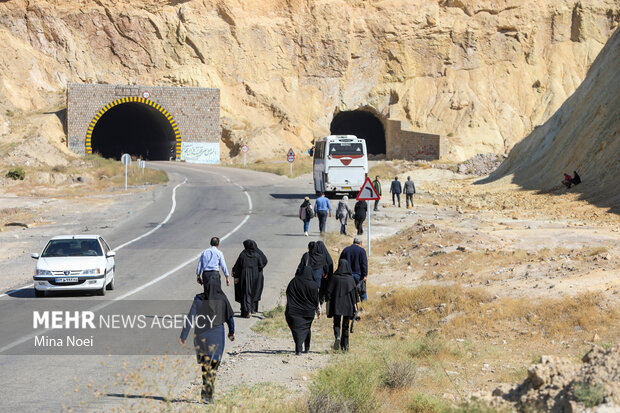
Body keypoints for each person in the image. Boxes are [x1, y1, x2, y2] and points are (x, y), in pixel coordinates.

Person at [179, 275, 235, 404]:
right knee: (214, 365)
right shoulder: (222, 298)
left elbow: (190, 318)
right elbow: (230, 318)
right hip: (217, 335)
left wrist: (184, 335)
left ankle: (205, 394)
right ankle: (208, 395)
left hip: (201, 336)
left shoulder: (198, 298)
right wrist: (231, 333)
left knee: (205, 366)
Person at [285, 265, 320, 355]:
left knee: (297, 330)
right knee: (306, 328)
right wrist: (318, 311)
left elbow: (288, 292)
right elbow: (316, 299)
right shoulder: (313, 285)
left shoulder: (294, 281)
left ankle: (298, 349)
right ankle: (307, 348)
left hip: (294, 311)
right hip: (308, 312)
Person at [326, 259, 359, 352]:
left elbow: (328, 292)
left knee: (336, 323)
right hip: (348, 306)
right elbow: (354, 294)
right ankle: (345, 347)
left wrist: (328, 300)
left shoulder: (334, 277)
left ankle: (337, 336)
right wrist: (355, 306)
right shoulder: (350, 279)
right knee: (346, 326)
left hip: (336, 305)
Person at [232, 240, 268, 318]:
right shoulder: (258, 255)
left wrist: (235, 275)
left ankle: (246, 311)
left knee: (245, 293)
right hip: (256, 276)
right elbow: (262, 264)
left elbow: (238, 266)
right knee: (253, 292)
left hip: (244, 276)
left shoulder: (243, 255)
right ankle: (252, 309)